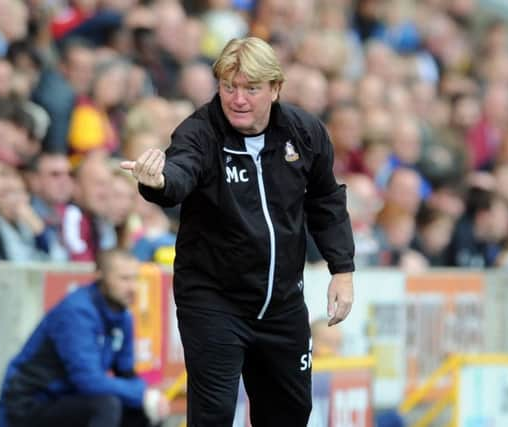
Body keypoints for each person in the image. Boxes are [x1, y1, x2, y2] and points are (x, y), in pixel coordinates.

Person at [121, 36, 355, 426]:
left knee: (290, 414)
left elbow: (326, 200)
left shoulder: (305, 132)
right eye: (229, 87)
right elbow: (179, 171)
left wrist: (342, 270)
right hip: (214, 300)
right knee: (212, 415)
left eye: (251, 88)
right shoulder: (200, 132)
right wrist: (157, 181)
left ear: (275, 89)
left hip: (282, 303)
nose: (238, 99)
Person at [0, 248, 169, 427]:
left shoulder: (123, 316)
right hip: (29, 404)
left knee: (147, 411)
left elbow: (126, 373)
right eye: (124, 279)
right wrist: (142, 392)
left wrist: (150, 398)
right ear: (100, 276)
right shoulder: (76, 312)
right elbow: (89, 382)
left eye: (136, 279)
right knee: (106, 406)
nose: (132, 287)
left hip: (68, 399)